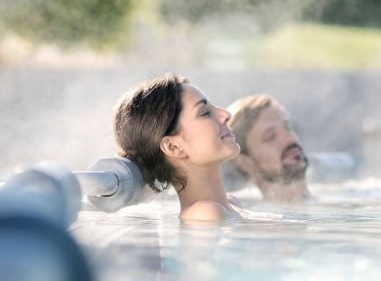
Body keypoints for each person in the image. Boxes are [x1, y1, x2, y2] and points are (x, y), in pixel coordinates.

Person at [113, 72, 244, 222]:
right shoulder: (204, 214)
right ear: (173, 146)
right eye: (205, 113)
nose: (226, 114)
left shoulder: (230, 204)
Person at [223, 94, 311, 202]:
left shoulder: (335, 199)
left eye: (287, 127)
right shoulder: (250, 215)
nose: (289, 138)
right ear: (246, 163)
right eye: (270, 137)